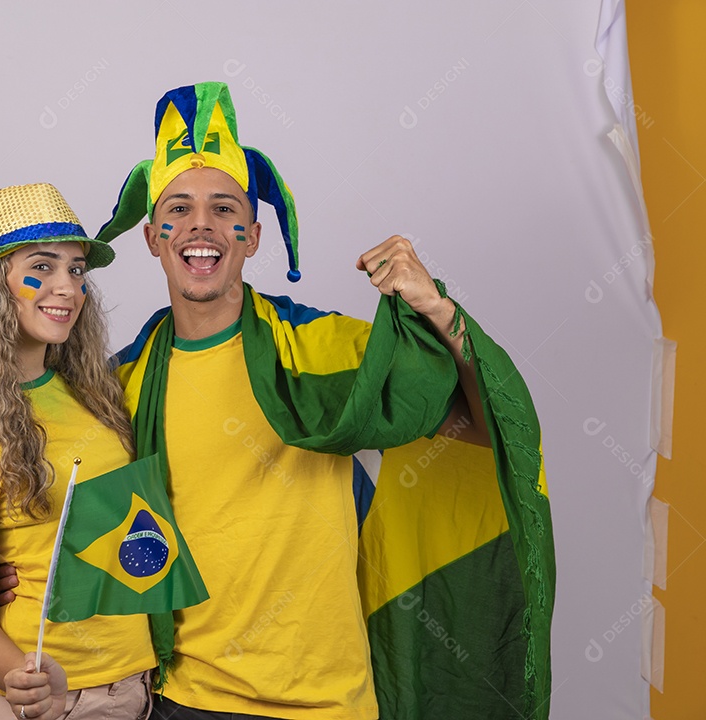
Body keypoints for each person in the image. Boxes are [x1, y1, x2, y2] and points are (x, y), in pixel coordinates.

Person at [90, 82, 556, 720]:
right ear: (152, 236)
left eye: (225, 209)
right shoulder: (121, 384)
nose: (201, 224)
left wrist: (437, 310)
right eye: (180, 207)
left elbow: (486, 430)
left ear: (253, 236)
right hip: (182, 702)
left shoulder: (323, 347)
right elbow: (88, 534)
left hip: (329, 705)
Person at [0, 183, 156, 720]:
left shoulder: (94, 392)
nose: (66, 287)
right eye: (42, 267)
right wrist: (20, 678)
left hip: (138, 688)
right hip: (49, 701)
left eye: (76, 270)